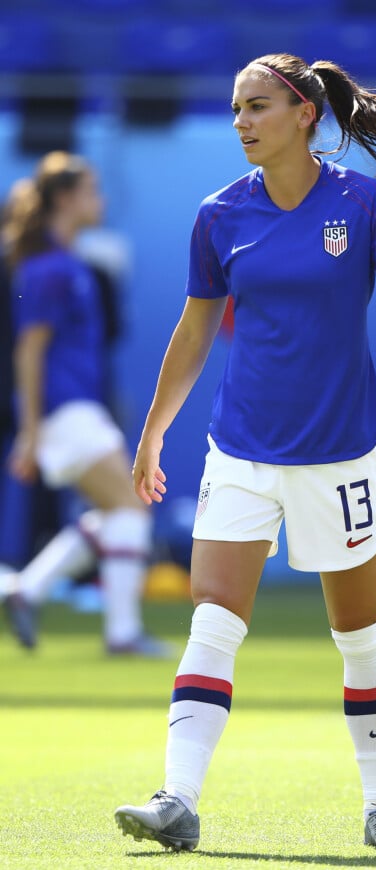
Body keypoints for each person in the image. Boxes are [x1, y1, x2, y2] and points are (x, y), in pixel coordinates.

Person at [114, 53, 376, 851]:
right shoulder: (219, 215)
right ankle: (177, 799)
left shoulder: (366, 203)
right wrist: (155, 428)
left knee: (360, 635)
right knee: (213, 618)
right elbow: (196, 327)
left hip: (341, 455)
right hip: (240, 449)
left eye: (257, 106)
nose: (241, 121)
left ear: (305, 113)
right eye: (236, 108)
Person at [1, 152, 172, 657]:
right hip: (64, 410)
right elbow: (28, 351)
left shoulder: (66, 262)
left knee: (120, 511)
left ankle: (26, 588)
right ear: (65, 199)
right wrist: (31, 430)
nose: (102, 199)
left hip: (74, 410)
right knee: (130, 508)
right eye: (93, 190)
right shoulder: (48, 267)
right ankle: (120, 633)